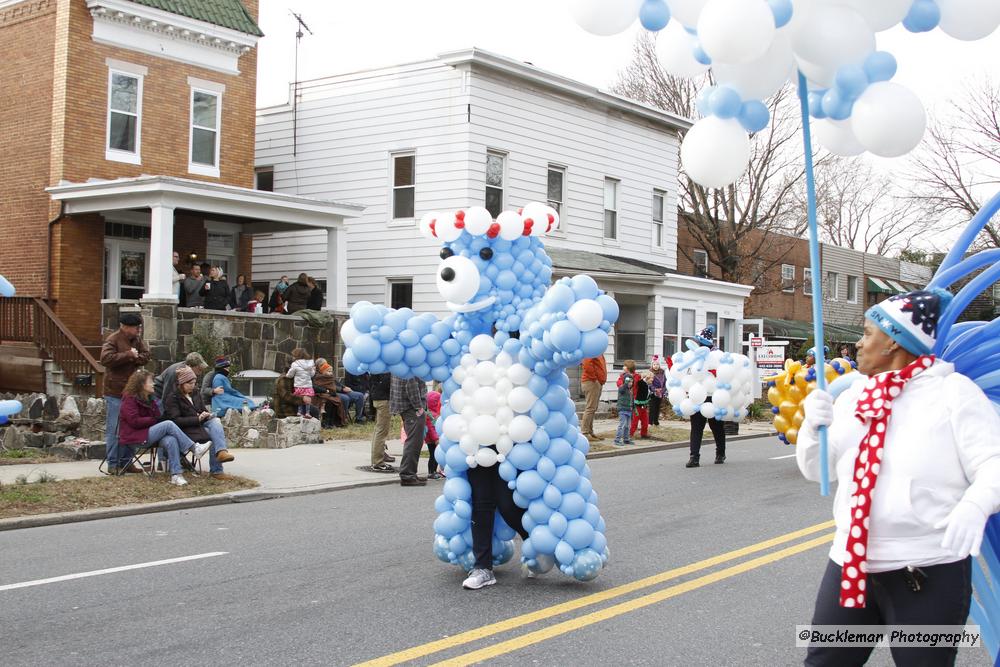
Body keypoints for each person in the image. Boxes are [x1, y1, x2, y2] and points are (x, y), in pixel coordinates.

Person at [797, 288, 1000, 666]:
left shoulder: (954, 394)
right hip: (850, 564)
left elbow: (994, 463)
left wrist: (976, 503)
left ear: (892, 341)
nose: (859, 343)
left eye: (868, 333)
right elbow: (817, 471)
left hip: (927, 571)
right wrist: (811, 428)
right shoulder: (855, 397)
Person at [118, 370, 211, 486]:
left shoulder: (150, 398)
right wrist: (154, 420)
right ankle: (194, 448)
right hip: (135, 435)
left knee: (171, 440)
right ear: (142, 384)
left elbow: (158, 416)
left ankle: (176, 475)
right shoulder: (129, 399)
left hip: (149, 432)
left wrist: (156, 417)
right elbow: (134, 422)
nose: (153, 384)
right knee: (168, 424)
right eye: (150, 381)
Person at [164, 365, 236, 480]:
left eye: (194, 382)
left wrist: (206, 414)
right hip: (186, 430)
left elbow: (202, 409)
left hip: (200, 424)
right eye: (190, 383)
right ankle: (217, 470)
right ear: (181, 383)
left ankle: (221, 453)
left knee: (215, 421)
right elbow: (175, 421)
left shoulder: (195, 393)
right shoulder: (172, 398)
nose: (193, 386)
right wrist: (197, 419)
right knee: (214, 435)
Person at [100, 312, 150, 474]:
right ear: (125, 327)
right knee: (115, 429)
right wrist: (128, 355)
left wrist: (135, 358)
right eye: (136, 328)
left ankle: (127, 461)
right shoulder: (113, 339)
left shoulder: (137, 340)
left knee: (132, 427)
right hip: (115, 392)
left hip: (132, 391)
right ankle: (113, 464)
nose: (138, 331)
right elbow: (106, 359)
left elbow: (146, 355)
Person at [687, 325, 726, 468]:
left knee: (715, 428)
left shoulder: (716, 357)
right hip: (697, 396)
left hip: (713, 397)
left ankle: (719, 453)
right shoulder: (693, 356)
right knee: (698, 428)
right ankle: (695, 456)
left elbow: (724, 375)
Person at [390, 375, 427, 487]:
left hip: (405, 406)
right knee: (414, 442)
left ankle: (410, 473)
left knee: (414, 441)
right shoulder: (410, 363)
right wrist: (419, 407)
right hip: (411, 408)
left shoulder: (399, 363)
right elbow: (411, 386)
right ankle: (408, 475)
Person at [367, 372, 394, 472]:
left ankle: (376, 460)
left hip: (378, 398)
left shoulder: (376, 368)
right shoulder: (385, 369)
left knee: (378, 430)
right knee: (382, 431)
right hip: (383, 399)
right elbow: (387, 383)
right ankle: (378, 462)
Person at [312, 359, 348, 427]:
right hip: (319, 394)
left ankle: (332, 422)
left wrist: (342, 388)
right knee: (330, 401)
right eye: (322, 365)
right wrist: (326, 391)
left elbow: (335, 384)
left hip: (331, 393)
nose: (330, 372)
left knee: (336, 401)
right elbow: (314, 387)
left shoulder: (330, 377)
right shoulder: (315, 375)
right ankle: (326, 422)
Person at [580, 353, 607, 440]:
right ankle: (584, 433)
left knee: (593, 408)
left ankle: (590, 431)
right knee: (590, 408)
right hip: (591, 382)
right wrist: (594, 379)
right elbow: (587, 364)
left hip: (596, 382)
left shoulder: (599, 352)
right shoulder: (591, 350)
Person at [285, 348, 316, 418]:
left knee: (300, 398)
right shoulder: (309, 364)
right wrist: (314, 370)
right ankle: (307, 413)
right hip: (308, 386)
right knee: (307, 399)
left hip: (299, 385)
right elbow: (312, 375)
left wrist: (286, 375)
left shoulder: (295, 364)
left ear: (296, 355)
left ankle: (299, 412)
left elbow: (290, 375)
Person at [424, 389, 443, 480]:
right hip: (432, 440)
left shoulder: (433, 413)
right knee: (433, 456)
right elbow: (431, 429)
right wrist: (436, 439)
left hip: (433, 439)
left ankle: (433, 471)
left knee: (435, 455)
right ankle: (431, 472)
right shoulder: (430, 415)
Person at [614, 372, 634, 447]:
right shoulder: (622, 388)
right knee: (621, 425)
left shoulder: (630, 390)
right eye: (629, 381)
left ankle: (626, 439)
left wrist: (633, 407)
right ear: (625, 381)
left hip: (629, 410)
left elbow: (632, 400)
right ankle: (617, 439)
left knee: (627, 426)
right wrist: (626, 383)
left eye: (632, 382)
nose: (630, 383)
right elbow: (622, 390)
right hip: (622, 409)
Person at [631, 370, 652, 440]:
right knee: (635, 421)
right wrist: (643, 378)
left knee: (645, 421)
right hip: (637, 407)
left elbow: (647, 395)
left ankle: (644, 434)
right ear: (647, 377)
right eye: (651, 378)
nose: (652, 380)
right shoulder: (641, 383)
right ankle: (630, 434)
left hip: (644, 407)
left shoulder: (647, 385)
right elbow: (638, 382)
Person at [649, 356, 667, 426]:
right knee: (652, 407)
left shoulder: (662, 372)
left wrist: (663, 390)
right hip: (652, 392)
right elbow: (649, 383)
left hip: (660, 393)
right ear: (652, 365)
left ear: (659, 365)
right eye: (654, 364)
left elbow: (665, 382)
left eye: (657, 364)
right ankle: (650, 422)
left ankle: (656, 421)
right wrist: (654, 389)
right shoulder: (650, 372)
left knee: (657, 407)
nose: (656, 366)